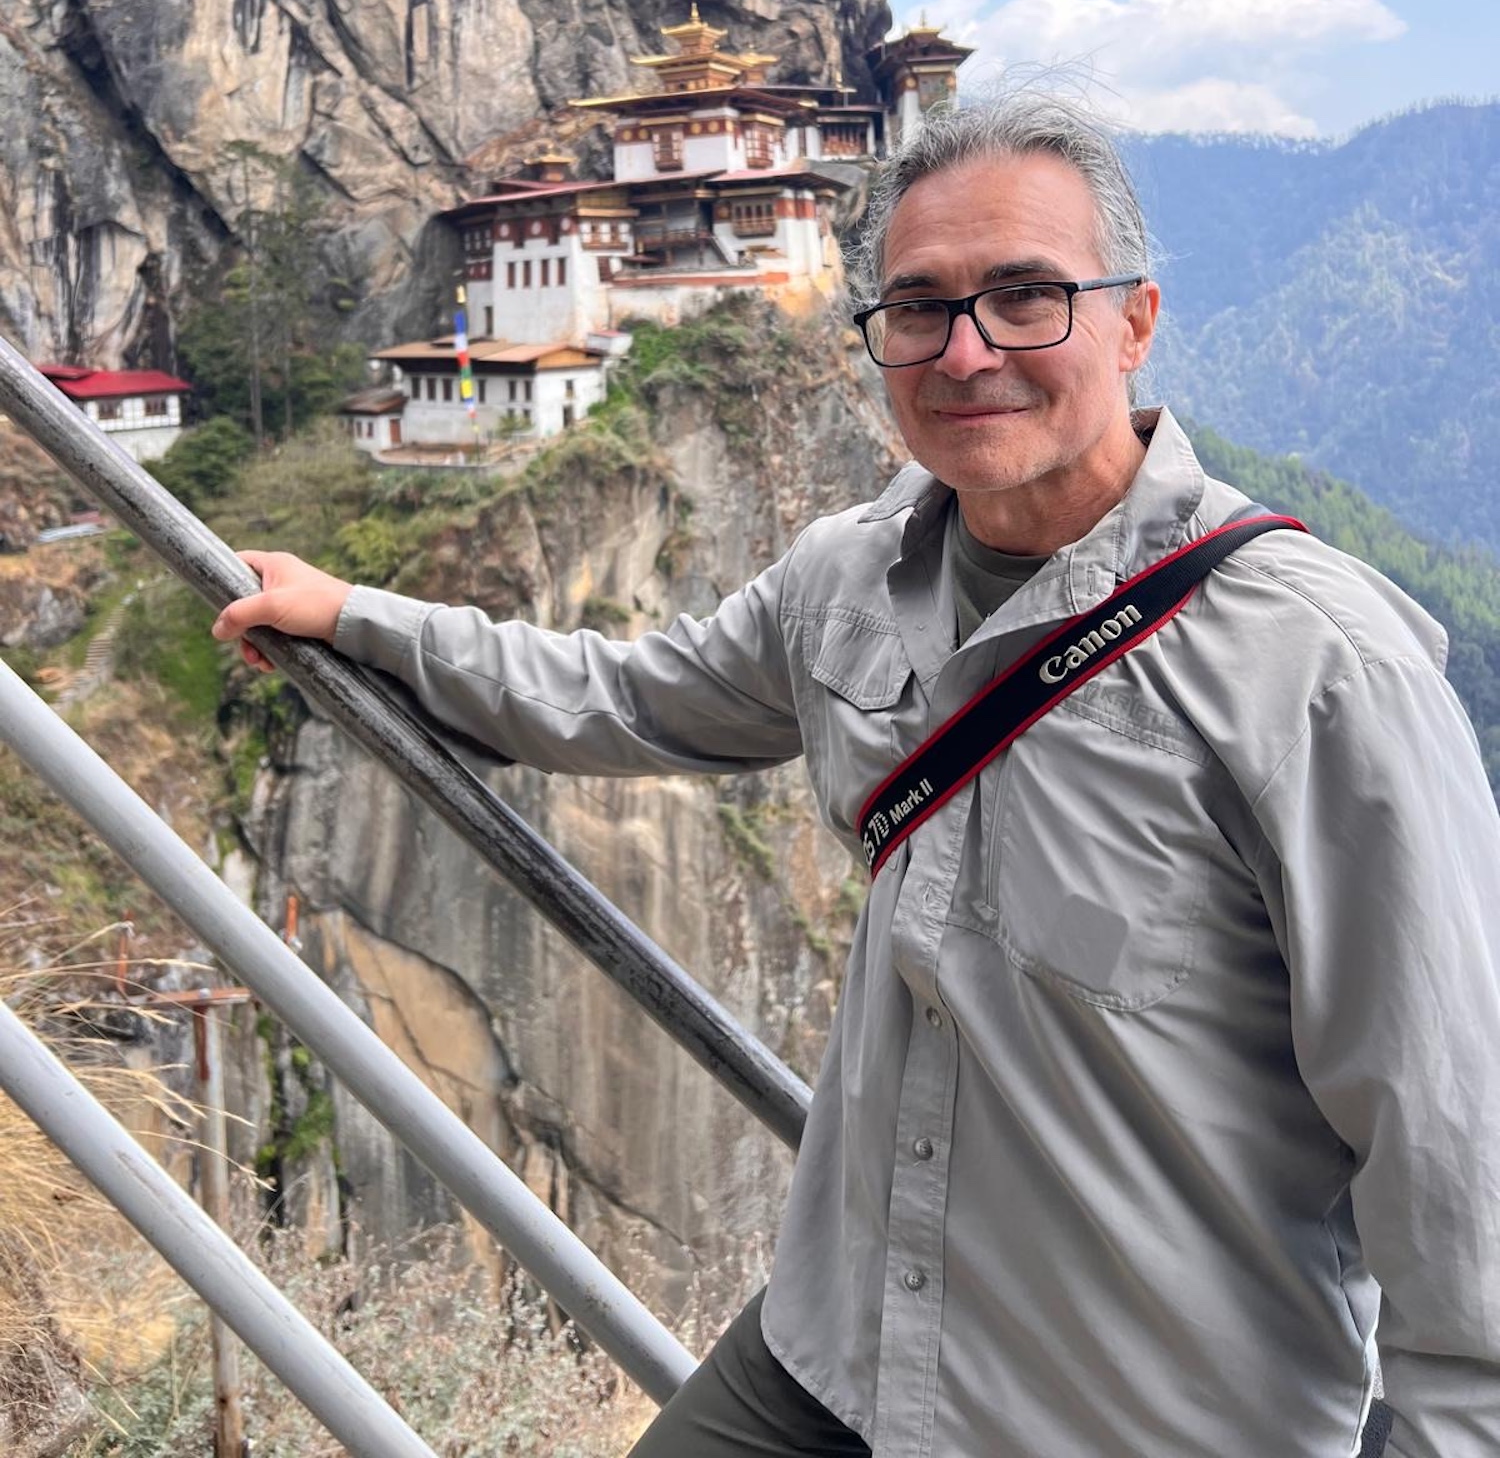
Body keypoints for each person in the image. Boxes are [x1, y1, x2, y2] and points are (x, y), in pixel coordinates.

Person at [212, 97, 1500, 1458]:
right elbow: (629, 697)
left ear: (1134, 320)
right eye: (918, 308)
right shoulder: (851, 579)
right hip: (839, 1354)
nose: (966, 352)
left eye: (1026, 298)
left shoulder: (1315, 665)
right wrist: (358, 618)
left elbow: (1451, 1130)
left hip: (1140, 1414)